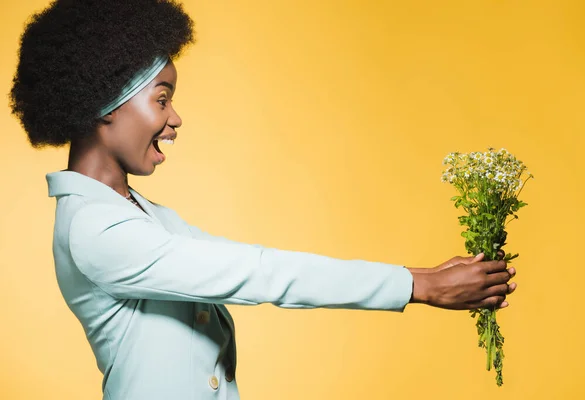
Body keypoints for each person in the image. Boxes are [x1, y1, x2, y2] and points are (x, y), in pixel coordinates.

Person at [9, 1, 517, 399]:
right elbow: (258, 272)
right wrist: (418, 285)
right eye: (162, 99)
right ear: (105, 105)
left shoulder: (138, 213)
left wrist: (424, 277)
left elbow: (246, 265)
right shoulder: (94, 229)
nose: (176, 118)